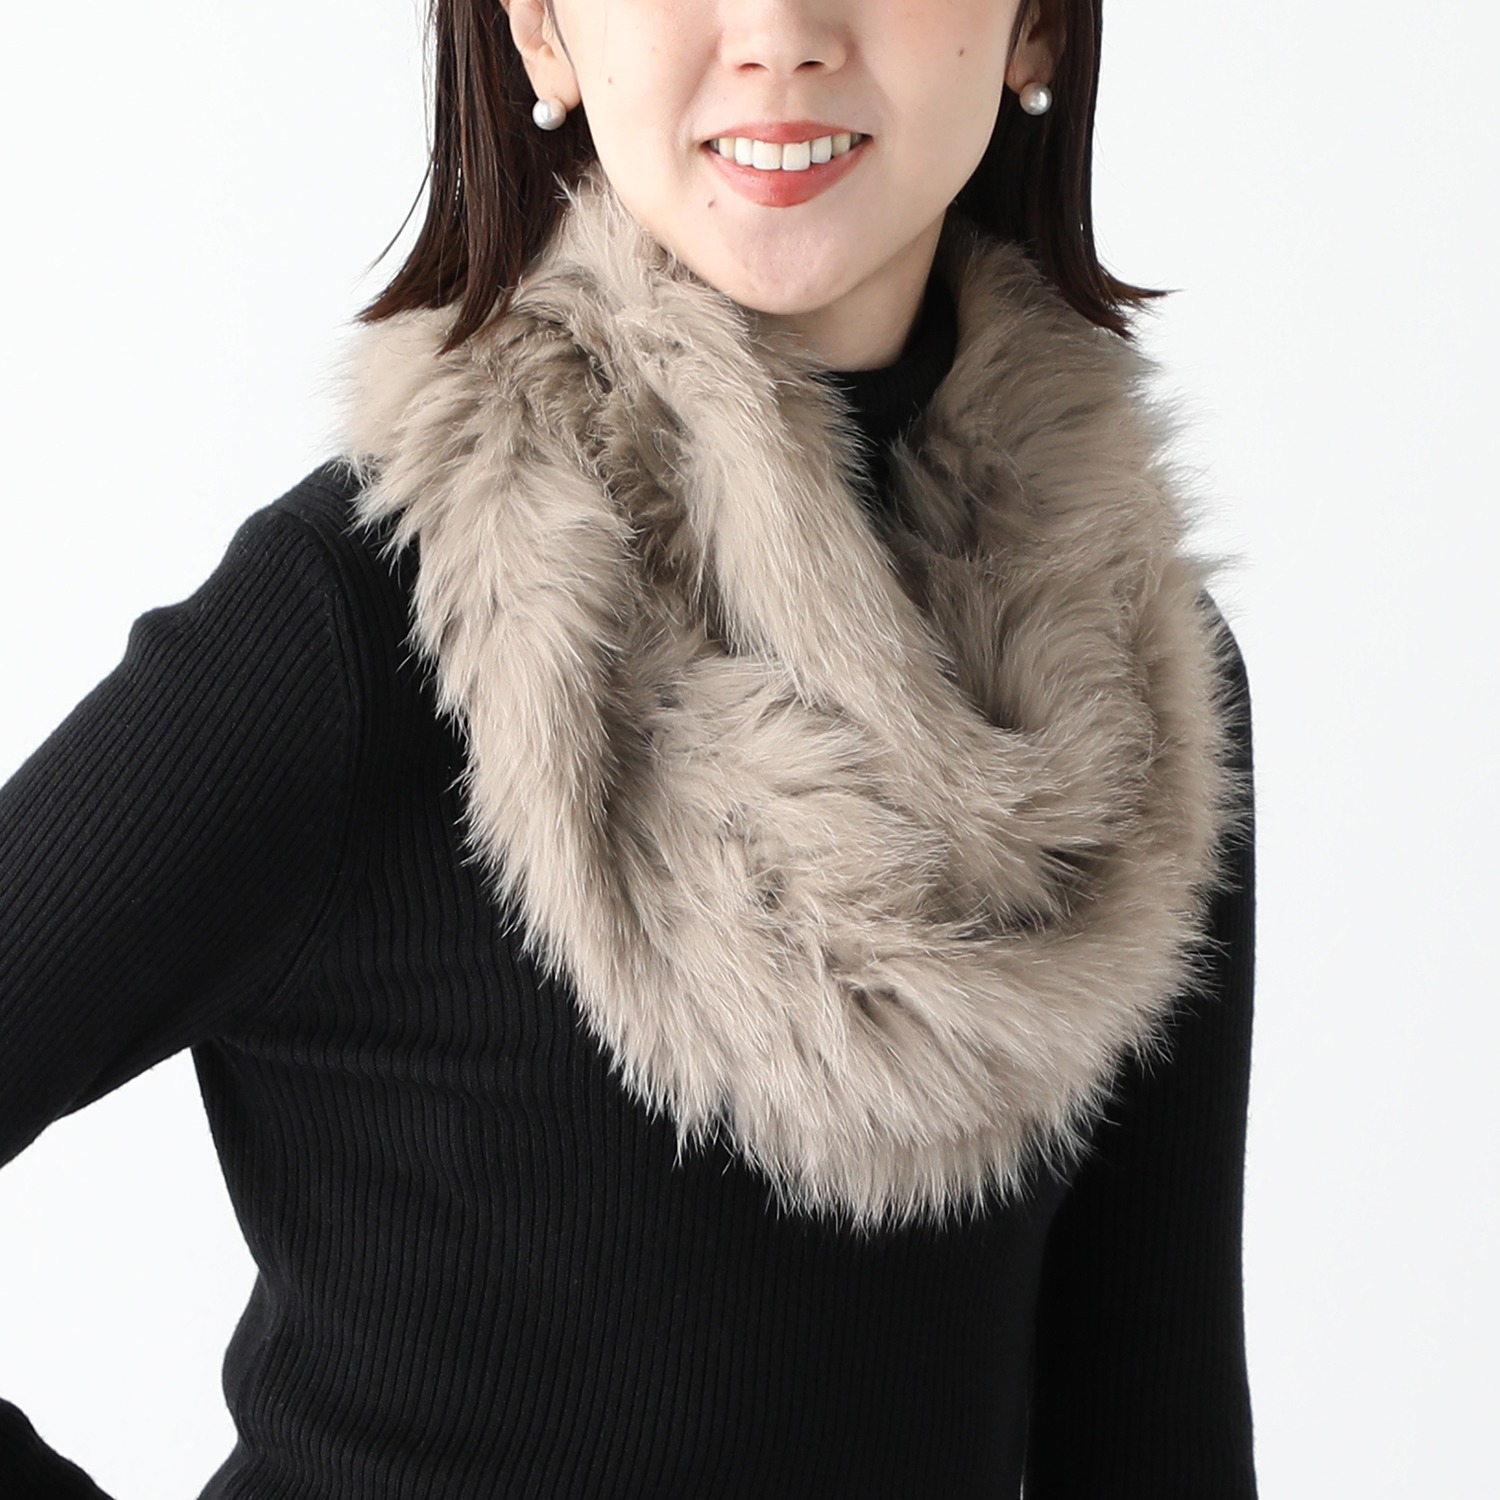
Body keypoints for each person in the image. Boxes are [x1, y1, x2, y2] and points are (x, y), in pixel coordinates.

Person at [0, 0, 1258, 1494]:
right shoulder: (370, 621)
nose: (780, 32)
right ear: (540, 32)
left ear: (1036, 26)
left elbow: (1156, 1427)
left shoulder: (1131, 666)